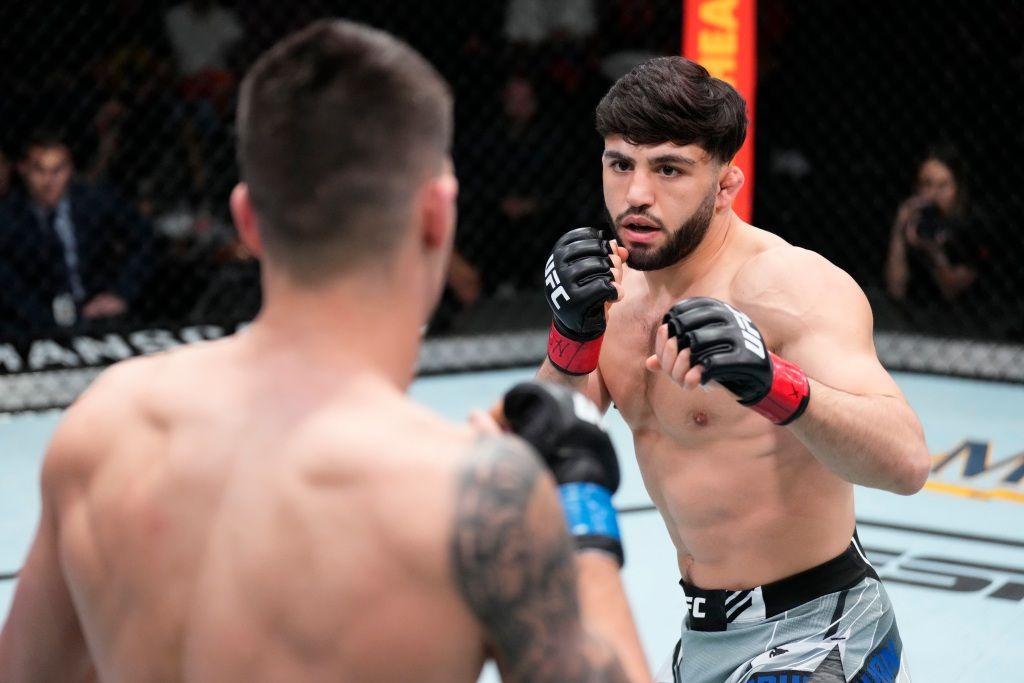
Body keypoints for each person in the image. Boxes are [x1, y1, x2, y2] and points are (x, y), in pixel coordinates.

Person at [0, 20, 651, 683]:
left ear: (247, 220)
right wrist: (580, 511)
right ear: (437, 216)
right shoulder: (476, 497)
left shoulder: (101, 430)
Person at [530, 57, 930, 682]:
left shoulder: (786, 285)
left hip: (820, 632)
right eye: (620, 164)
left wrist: (773, 384)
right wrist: (570, 339)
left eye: (669, 169)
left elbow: (907, 463)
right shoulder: (612, 294)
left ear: (725, 185)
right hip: (702, 640)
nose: (636, 195)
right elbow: (534, 460)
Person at [0, 131, 154, 336]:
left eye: (58, 170)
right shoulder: (8, 217)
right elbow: (8, 282)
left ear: (70, 169)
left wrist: (121, 293)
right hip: (30, 320)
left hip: (97, 307)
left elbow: (144, 240)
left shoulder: (95, 202)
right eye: (39, 170)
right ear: (23, 169)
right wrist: (42, 319)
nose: (49, 181)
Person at [885, 145, 993, 330]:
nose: (934, 193)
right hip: (914, 321)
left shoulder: (973, 224)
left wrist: (934, 251)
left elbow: (951, 291)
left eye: (943, 185)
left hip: (969, 325)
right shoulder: (914, 223)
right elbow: (895, 290)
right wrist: (899, 230)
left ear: (958, 188)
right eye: (927, 184)